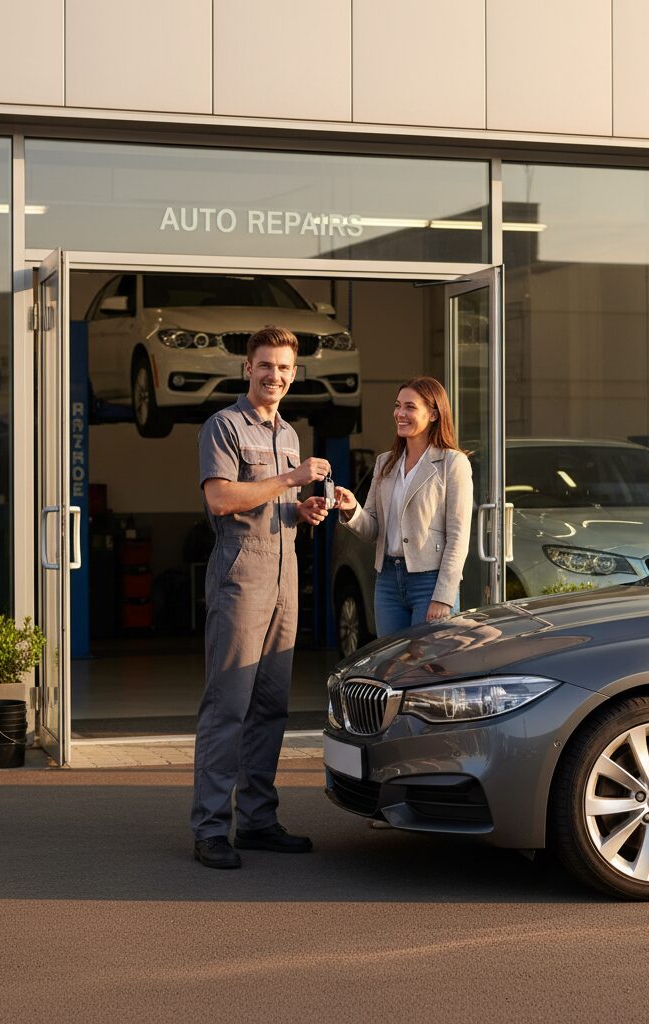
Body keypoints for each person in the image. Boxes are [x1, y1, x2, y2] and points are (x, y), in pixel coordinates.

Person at [191, 325, 332, 870]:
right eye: (266, 366)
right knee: (228, 705)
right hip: (240, 575)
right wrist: (290, 479)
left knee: (271, 706)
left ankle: (257, 820)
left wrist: (304, 510)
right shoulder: (223, 426)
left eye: (285, 369)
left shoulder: (289, 433)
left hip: (285, 573)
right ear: (247, 368)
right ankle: (209, 829)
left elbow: (278, 503)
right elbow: (223, 498)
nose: (275, 376)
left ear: (294, 375)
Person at [335, 376, 473, 635]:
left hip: (430, 581)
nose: (400, 413)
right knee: (391, 666)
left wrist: (444, 595)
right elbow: (372, 530)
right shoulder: (385, 463)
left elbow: (458, 536)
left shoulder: (452, 463)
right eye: (398, 406)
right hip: (387, 580)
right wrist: (352, 509)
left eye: (410, 407)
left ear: (433, 414)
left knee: (428, 669)